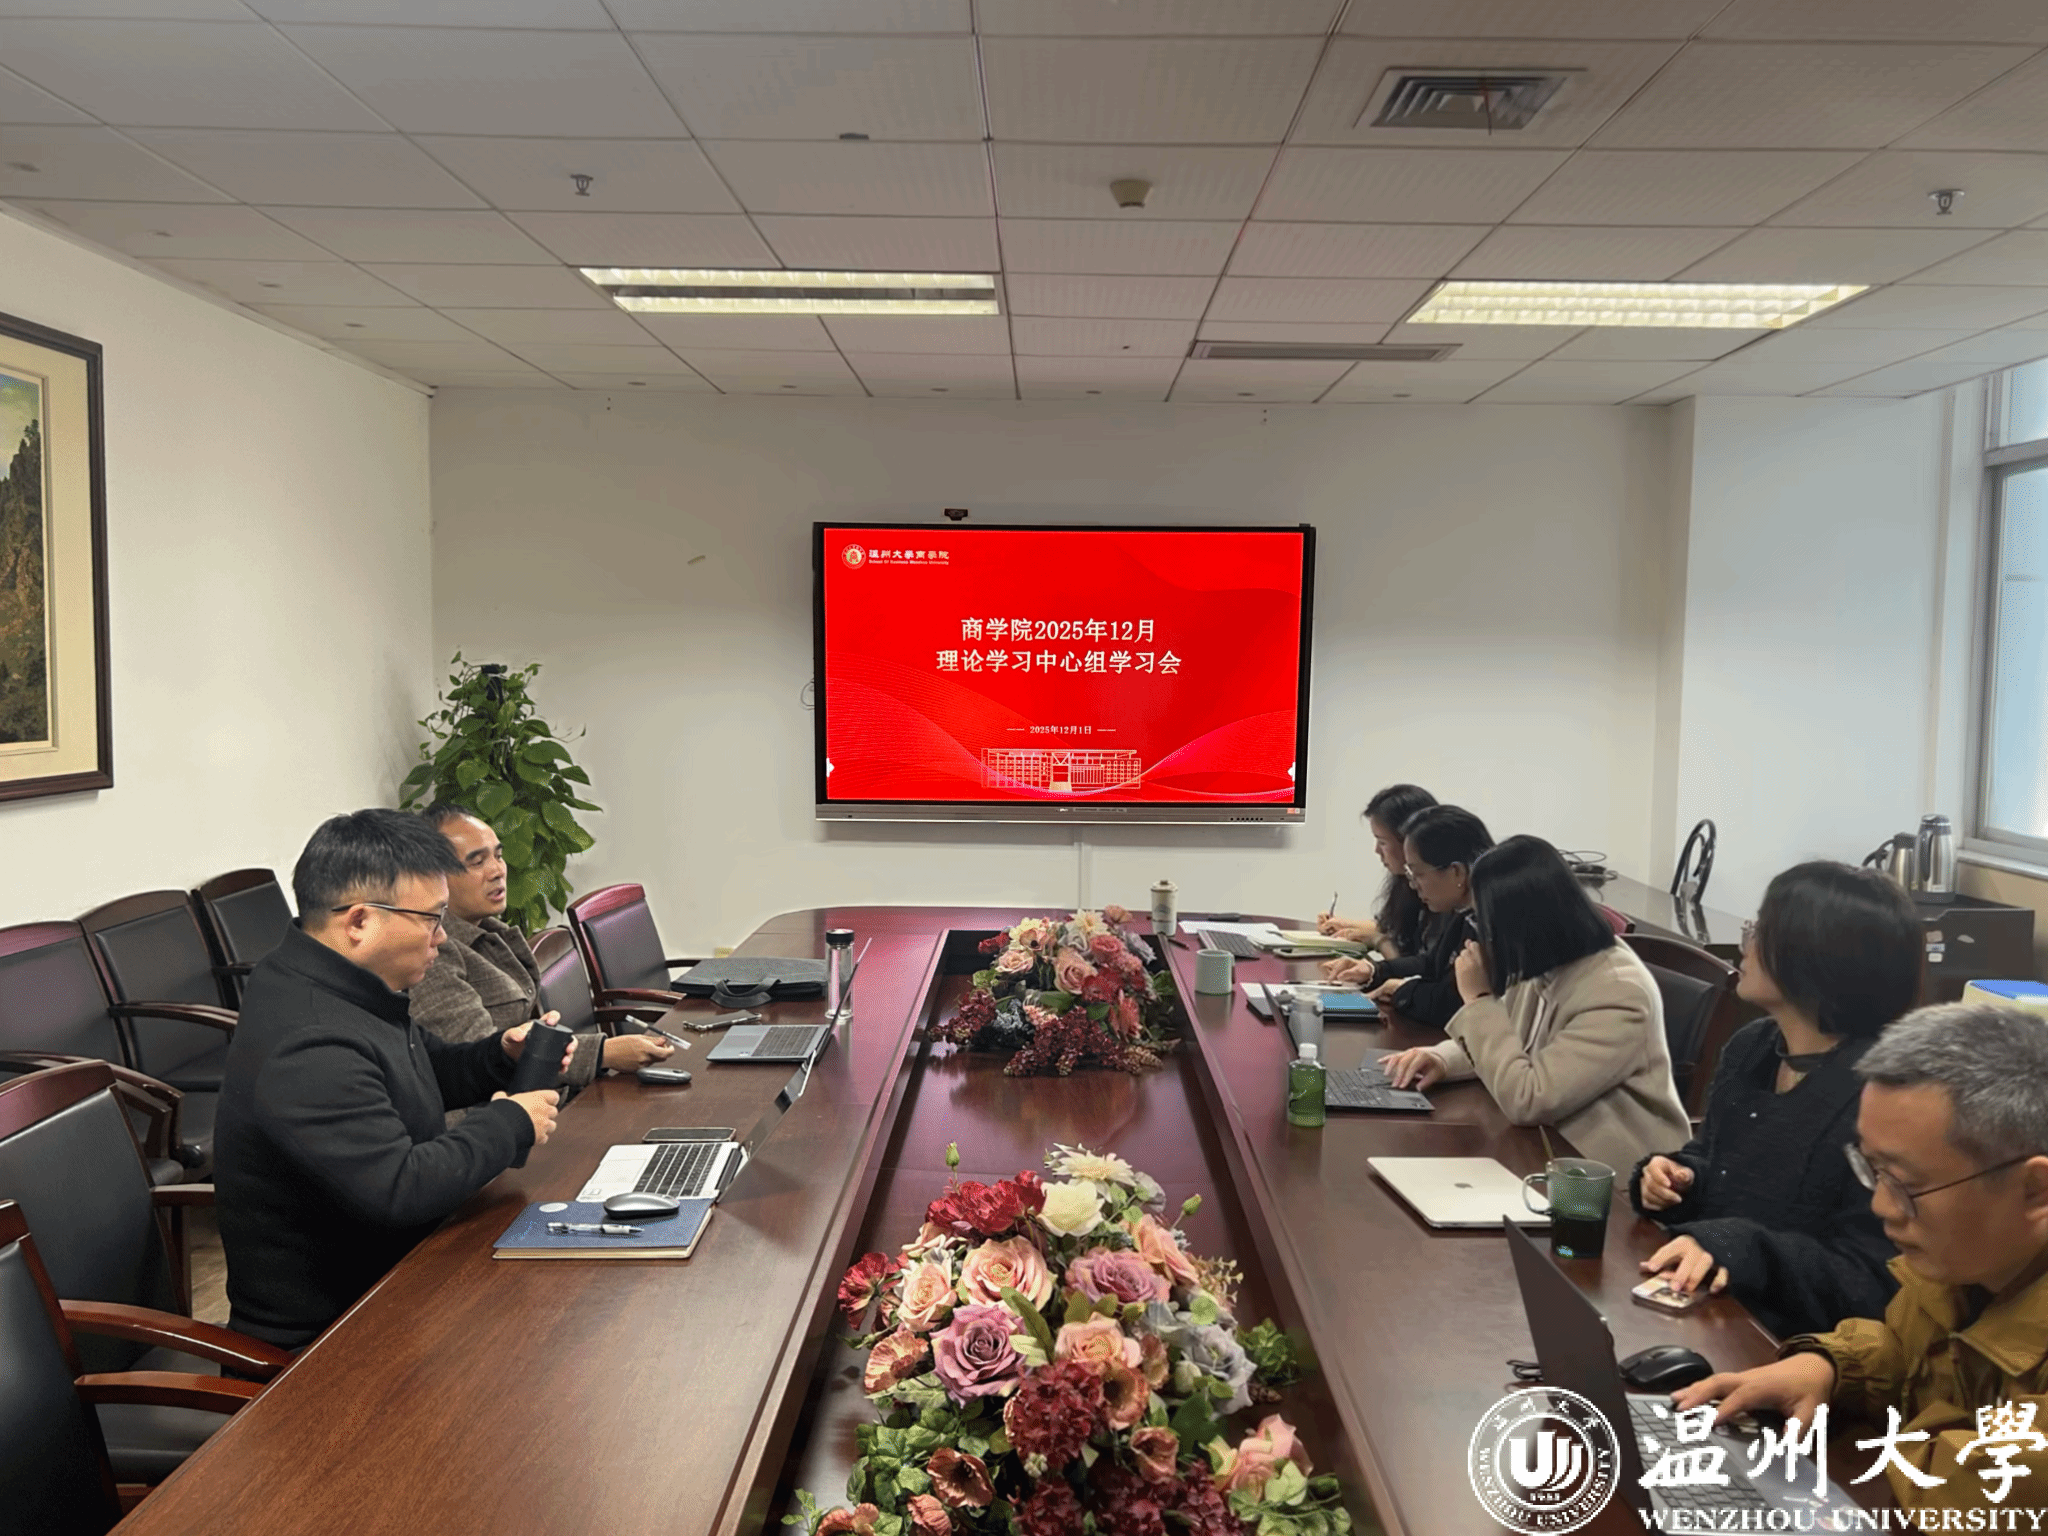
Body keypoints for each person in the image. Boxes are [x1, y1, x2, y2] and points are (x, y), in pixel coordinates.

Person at [215, 809, 568, 1350]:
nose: (441, 937)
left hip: (402, 1282)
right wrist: (510, 1122)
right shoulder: (309, 1041)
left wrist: (501, 1056)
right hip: (333, 1341)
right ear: (359, 922)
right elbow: (400, 1189)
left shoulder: (341, 982)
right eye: (431, 919)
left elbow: (424, 1072)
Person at [1674, 1004, 2048, 1513]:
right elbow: (1908, 1349)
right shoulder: (1969, 1263)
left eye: (1906, 1183)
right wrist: (1829, 1367)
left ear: (2034, 1189)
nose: (1881, 1206)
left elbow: (1978, 1486)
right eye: (1872, 1170)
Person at [1629, 862, 1917, 1338]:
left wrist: (1737, 1246)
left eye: (1762, 930)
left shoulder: (1884, 1093)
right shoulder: (1754, 1046)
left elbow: (1871, 1280)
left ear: (1814, 957)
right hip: (1716, 1311)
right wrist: (1677, 1179)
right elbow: (1714, 1162)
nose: (1747, 942)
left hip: (1801, 1348)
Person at [1383, 834, 1689, 1174]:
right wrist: (1442, 1058)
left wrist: (1479, 1000)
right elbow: (1511, 1037)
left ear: (1525, 924)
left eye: (1487, 923)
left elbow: (1528, 1099)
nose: (1484, 935)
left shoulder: (1618, 992)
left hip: (1608, 1179)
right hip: (1549, 1147)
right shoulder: (1546, 958)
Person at [410, 802, 672, 1104]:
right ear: (433, 878)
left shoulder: (492, 934)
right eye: (477, 862)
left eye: (498, 856)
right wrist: (603, 1052)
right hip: (505, 1115)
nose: (497, 871)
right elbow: (485, 1060)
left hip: (550, 1097)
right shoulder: (432, 955)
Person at [1324, 805, 1493, 1029]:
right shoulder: (1467, 909)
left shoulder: (1493, 922)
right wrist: (1375, 970)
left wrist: (1402, 991)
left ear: (1457, 872)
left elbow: (1452, 1003)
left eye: (1418, 874)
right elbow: (1431, 963)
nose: (1413, 885)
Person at [1316, 782, 1437, 957]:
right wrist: (1341, 924)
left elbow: (1414, 967)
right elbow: (1392, 929)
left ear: (1409, 840)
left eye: (1382, 842)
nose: (1376, 850)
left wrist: (1378, 941)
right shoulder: (1405, 883)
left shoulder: (1439, 894)